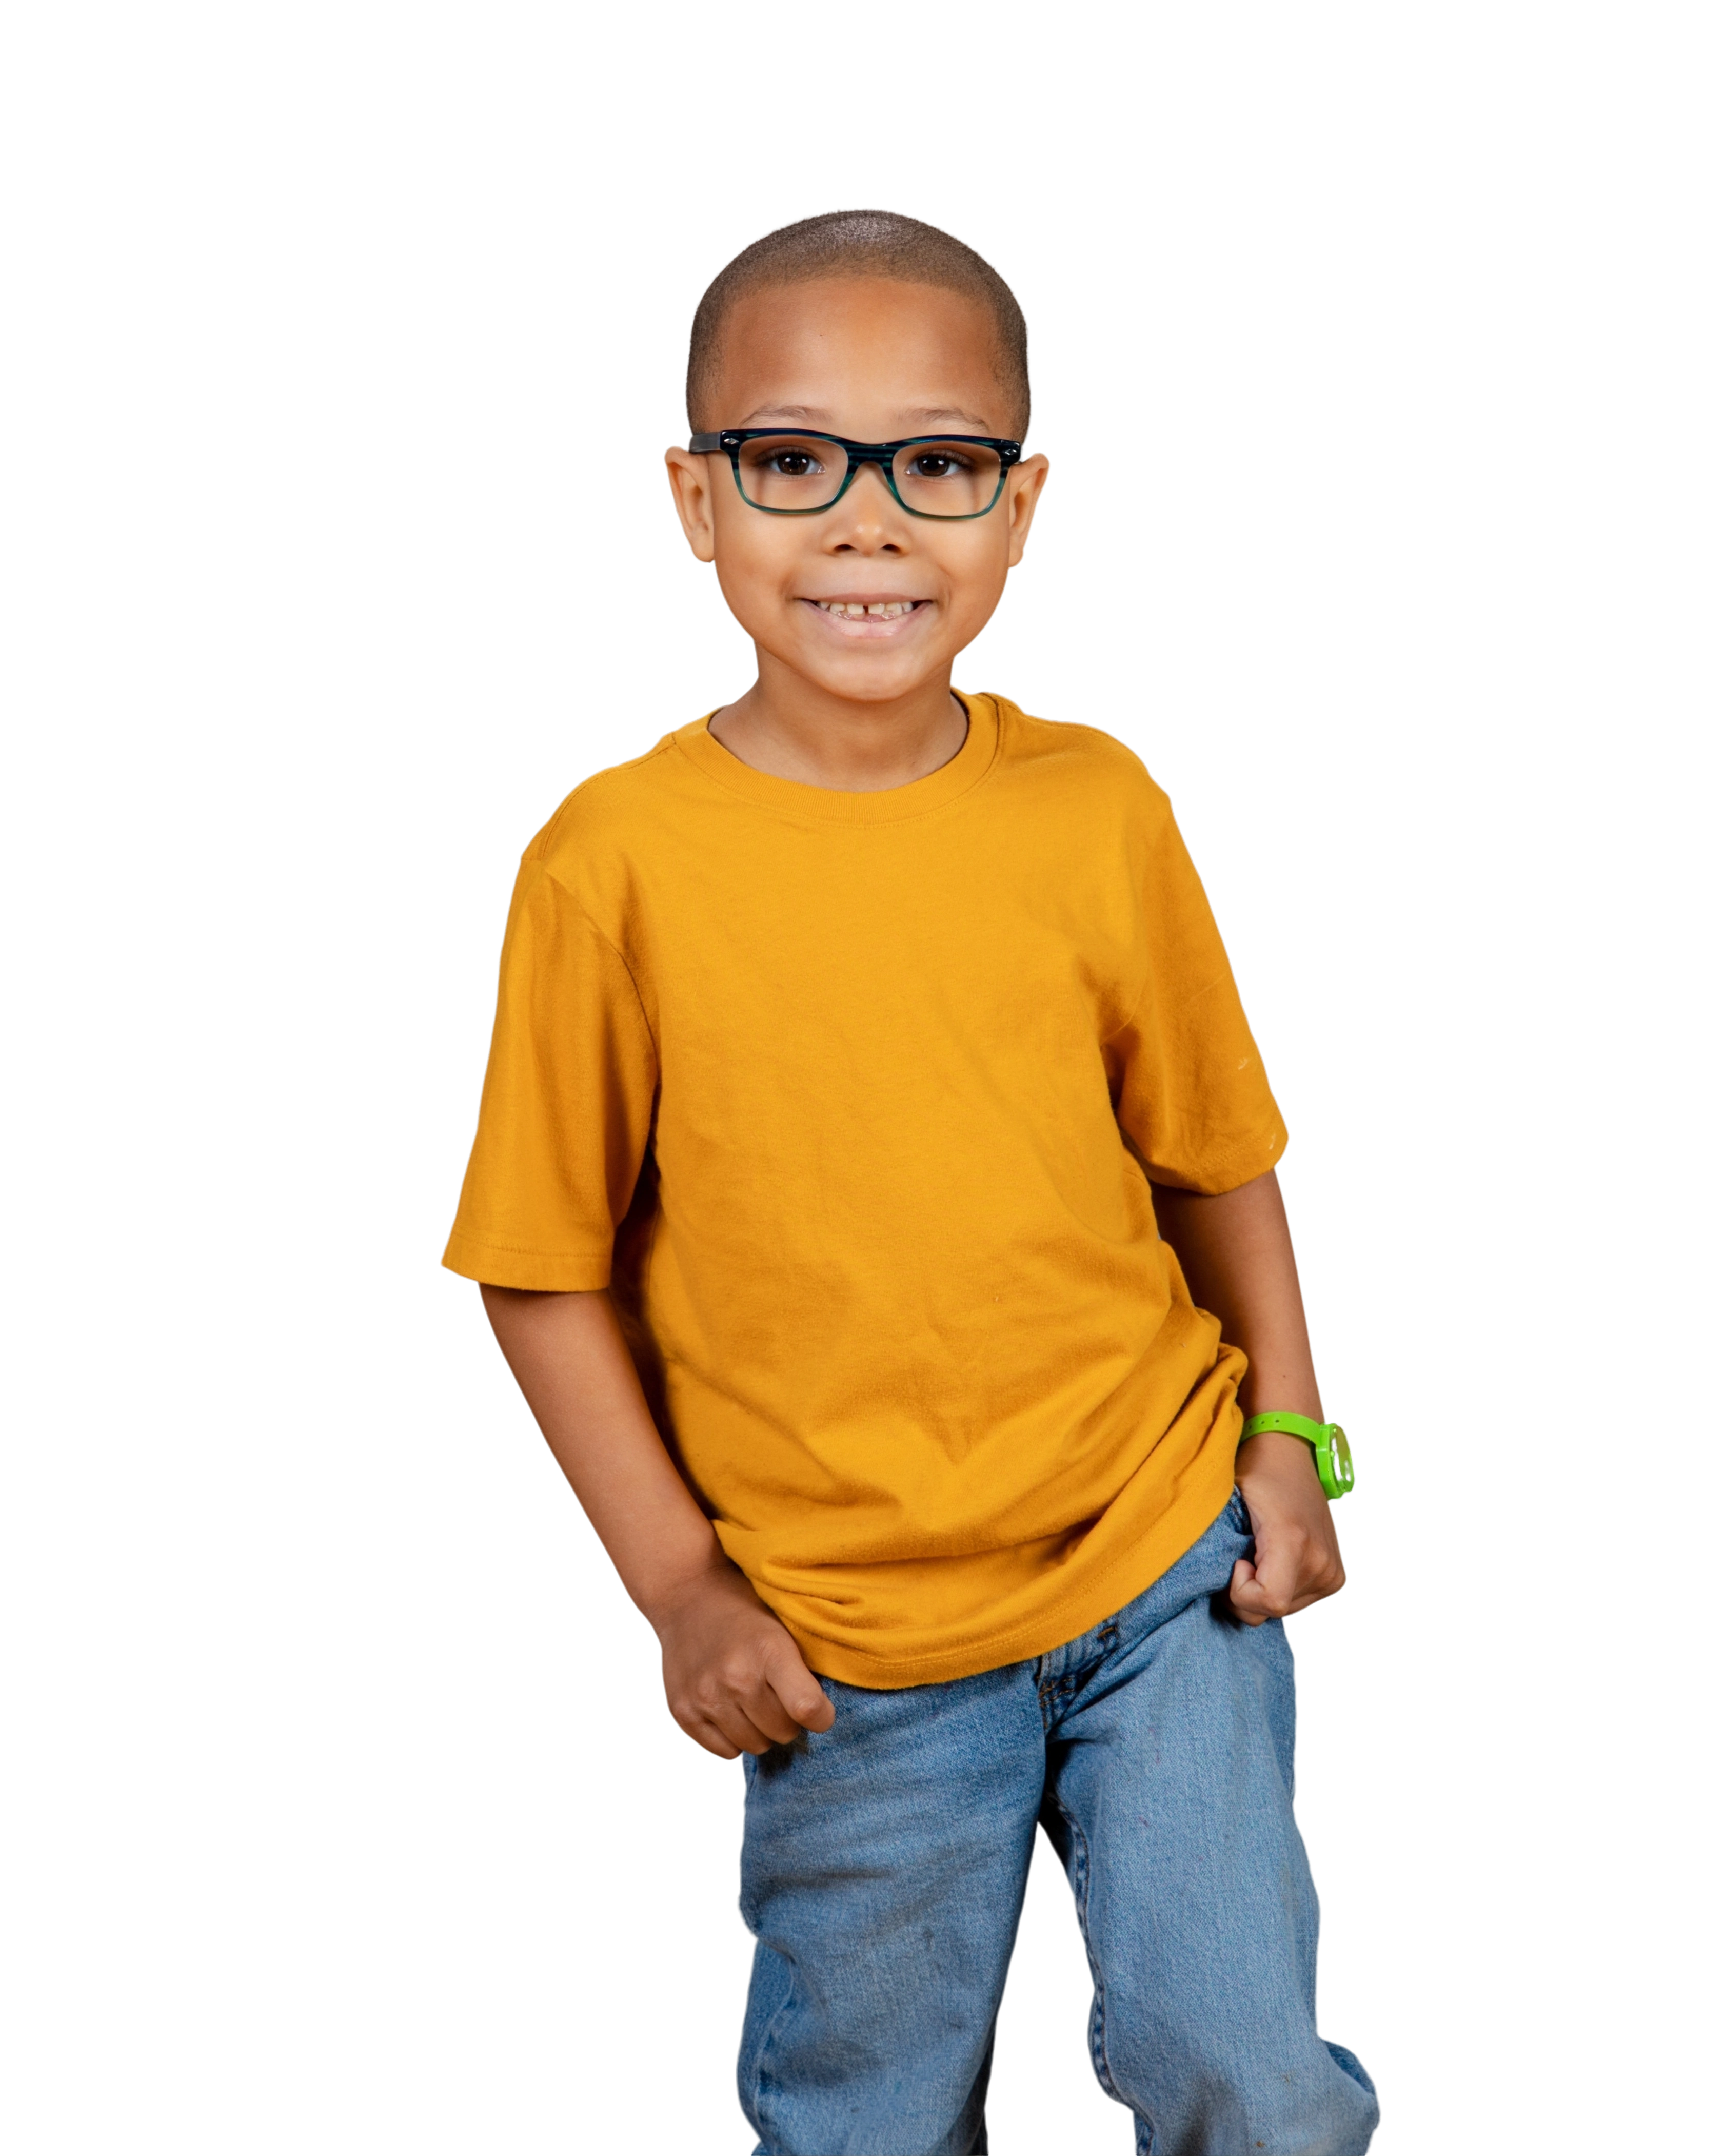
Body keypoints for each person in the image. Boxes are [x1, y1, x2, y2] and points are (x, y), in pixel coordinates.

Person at [439, 205, 1383, 2156]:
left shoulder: (1099, 808)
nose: (868, 525)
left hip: (1165, 1565)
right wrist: (680, 1588)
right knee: (862, 2119)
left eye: (937, 464)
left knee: (1252, 2074)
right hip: (845, 1644)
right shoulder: (609, 865)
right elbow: (541, 1269)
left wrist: (1295, 1438)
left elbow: (1219, 1162)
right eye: (794, 459)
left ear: (1022, 508)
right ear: (695, 501)